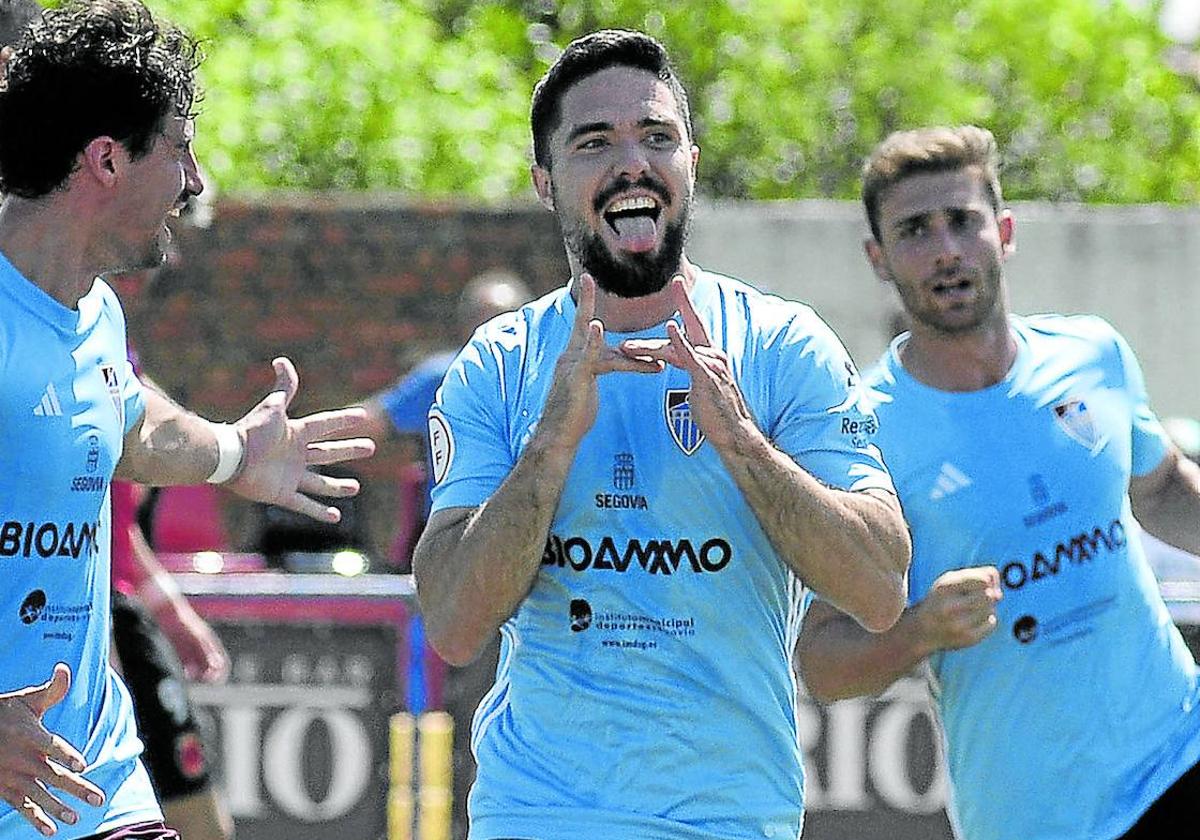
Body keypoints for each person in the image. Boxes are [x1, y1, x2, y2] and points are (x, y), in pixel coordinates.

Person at [412, 29, 911, 839]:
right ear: (547, 181)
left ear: (691, 163)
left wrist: (744, 444)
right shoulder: (502, 363)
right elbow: (454, 625)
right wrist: (551, 444)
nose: (631, 163)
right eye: (594, 142)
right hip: (537, 814)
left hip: (726, 817)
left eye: (656, 137)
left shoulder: (784, 346)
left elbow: (881, 588)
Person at [0, 2, 374, 837]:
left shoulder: (95, 314)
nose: (196, 181)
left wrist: (236, 452)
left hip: (101, 795)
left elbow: (129, 423)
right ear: (105, 159)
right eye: (179, 149)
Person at [794, 125, 1200, 840]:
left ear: (1004, 232)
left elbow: (1161, 489)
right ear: (878, 258)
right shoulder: (864, 432)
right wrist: (918, 630)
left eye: (963, 221)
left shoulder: (1094, 353)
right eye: (915, 230)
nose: (946, 249)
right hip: (1032, 815)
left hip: (1175, 750)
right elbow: (823, 663)